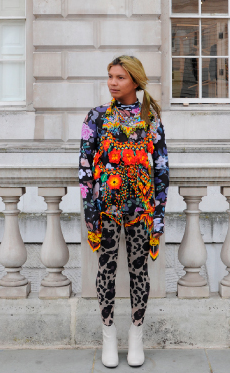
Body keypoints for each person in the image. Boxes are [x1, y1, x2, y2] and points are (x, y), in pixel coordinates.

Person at [79, 55, 169, 368]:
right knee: (105, 270)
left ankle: (136, 335)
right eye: (110, 76)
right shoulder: (97, 117)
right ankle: (107, 335)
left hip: (141, 209)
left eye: (119, 77)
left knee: (138, 271)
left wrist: (158, 214)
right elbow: (84, 167)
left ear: (134, 81)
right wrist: (90, 209)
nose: (113, 83)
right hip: (106, 208)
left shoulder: (151, 116)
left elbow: (161, 167)